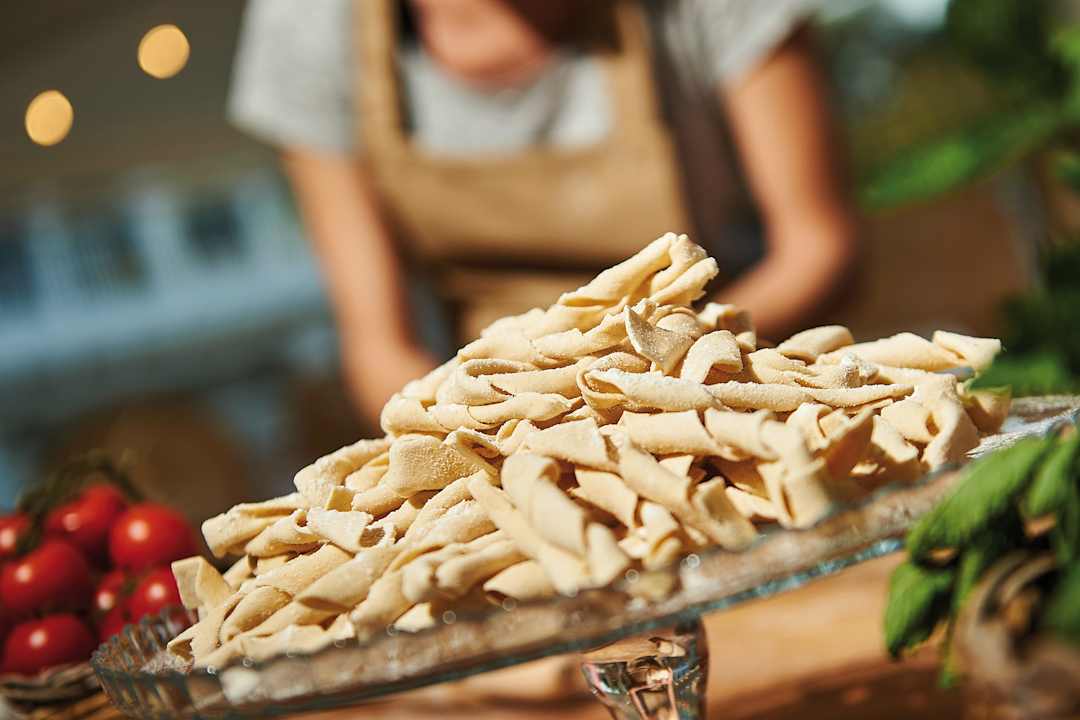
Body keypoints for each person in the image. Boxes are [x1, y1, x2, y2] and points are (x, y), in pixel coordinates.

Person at [230, 0, 857, 424]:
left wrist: (663, 366)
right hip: (502, 418)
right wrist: (488, 422)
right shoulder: (313, 22)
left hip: (736, 386)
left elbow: (817, 246)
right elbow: (378, 350)